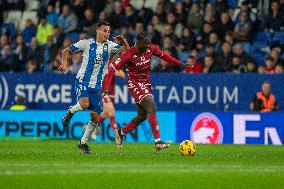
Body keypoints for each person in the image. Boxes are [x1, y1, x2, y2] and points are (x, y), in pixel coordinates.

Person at [104, 32, 187, 151]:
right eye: (146, 43)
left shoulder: (150, 48)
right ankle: (158, 142)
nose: (149, 45)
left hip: (146, 83)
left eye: (149, 43)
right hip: (135, 84)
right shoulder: (128, 54)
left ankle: (120, 133)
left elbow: (164, 56)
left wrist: (181, 63)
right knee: (151, 105)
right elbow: (112, 68)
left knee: (142, 115)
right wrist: (106, 86)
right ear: (138, 43)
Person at [59, 21, 129, 154]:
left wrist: (123, 40)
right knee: (84, 104)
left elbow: (126, 50)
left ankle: (83, 143)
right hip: (83, 80)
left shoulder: (110, 46)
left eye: (109, 31)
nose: (107, 33)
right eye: (105, 30)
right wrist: (64, 63)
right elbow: (67, 50)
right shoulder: (86, 43)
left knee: (95, 117)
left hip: (97, 86)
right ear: (98, 30)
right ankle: (70, 112)